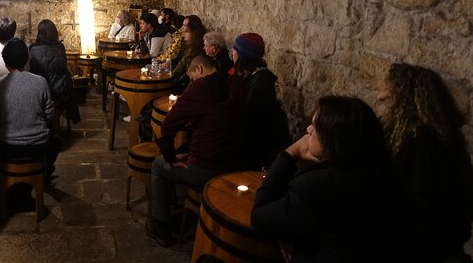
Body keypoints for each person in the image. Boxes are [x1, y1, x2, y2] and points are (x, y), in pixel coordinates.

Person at [251, 96, 406, 262]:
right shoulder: (384, 174)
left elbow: (259, 215)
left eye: (315, 126)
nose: (308, 130)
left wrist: (289, 153)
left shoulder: (315, 186)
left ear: (332, 140)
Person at [378, 63, 473, 263]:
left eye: (388, 84)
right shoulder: (427, 135)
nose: (381, 89)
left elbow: (422, 196)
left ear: (401, 92)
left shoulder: (422, 140)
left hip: (422, 244)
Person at [146, 55, 244, 247]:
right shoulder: (237, 84)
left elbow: (167, 128)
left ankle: (162, 226)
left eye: (191, 78)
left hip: (208, 167)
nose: (191, 82)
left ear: (199, 69)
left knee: (159, 165)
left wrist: (170, 157)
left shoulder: (200, 88)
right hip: (235, 163)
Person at [0, 38, 60, 177]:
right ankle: (45, 172)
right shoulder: (40, 82)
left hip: (8, 147)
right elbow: (50, 114)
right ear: (26, 59)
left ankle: (0, 180)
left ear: (5, 61)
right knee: (56, 141)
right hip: (39, 146)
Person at [232, 32, 291, 170]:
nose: (232, 53)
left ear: (242, 55)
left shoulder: (261, 82)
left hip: (262, 146)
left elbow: (253, 118)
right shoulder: (251, 74)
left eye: (234, 51)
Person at [29, 19, 81, 124]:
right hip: (60, 91)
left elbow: (33, 71)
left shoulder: (33, 49)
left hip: (42, 90)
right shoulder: (60, 47)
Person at [170, 15, 206, 94]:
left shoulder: (198, 50)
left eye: (186, 31)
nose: (182, 29)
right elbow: (179, 62)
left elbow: (187, 76)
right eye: (183, 25)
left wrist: (171, 77)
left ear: (194, 31)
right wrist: (168, 65)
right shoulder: (186, 46)